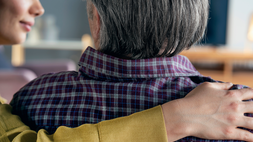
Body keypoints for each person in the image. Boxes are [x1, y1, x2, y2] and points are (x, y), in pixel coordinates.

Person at [1, 0, 253, 142]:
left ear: (97, 20)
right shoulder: (240, 111)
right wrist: (172, 119)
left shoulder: (30, 100)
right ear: (195, 19)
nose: (39, 7)